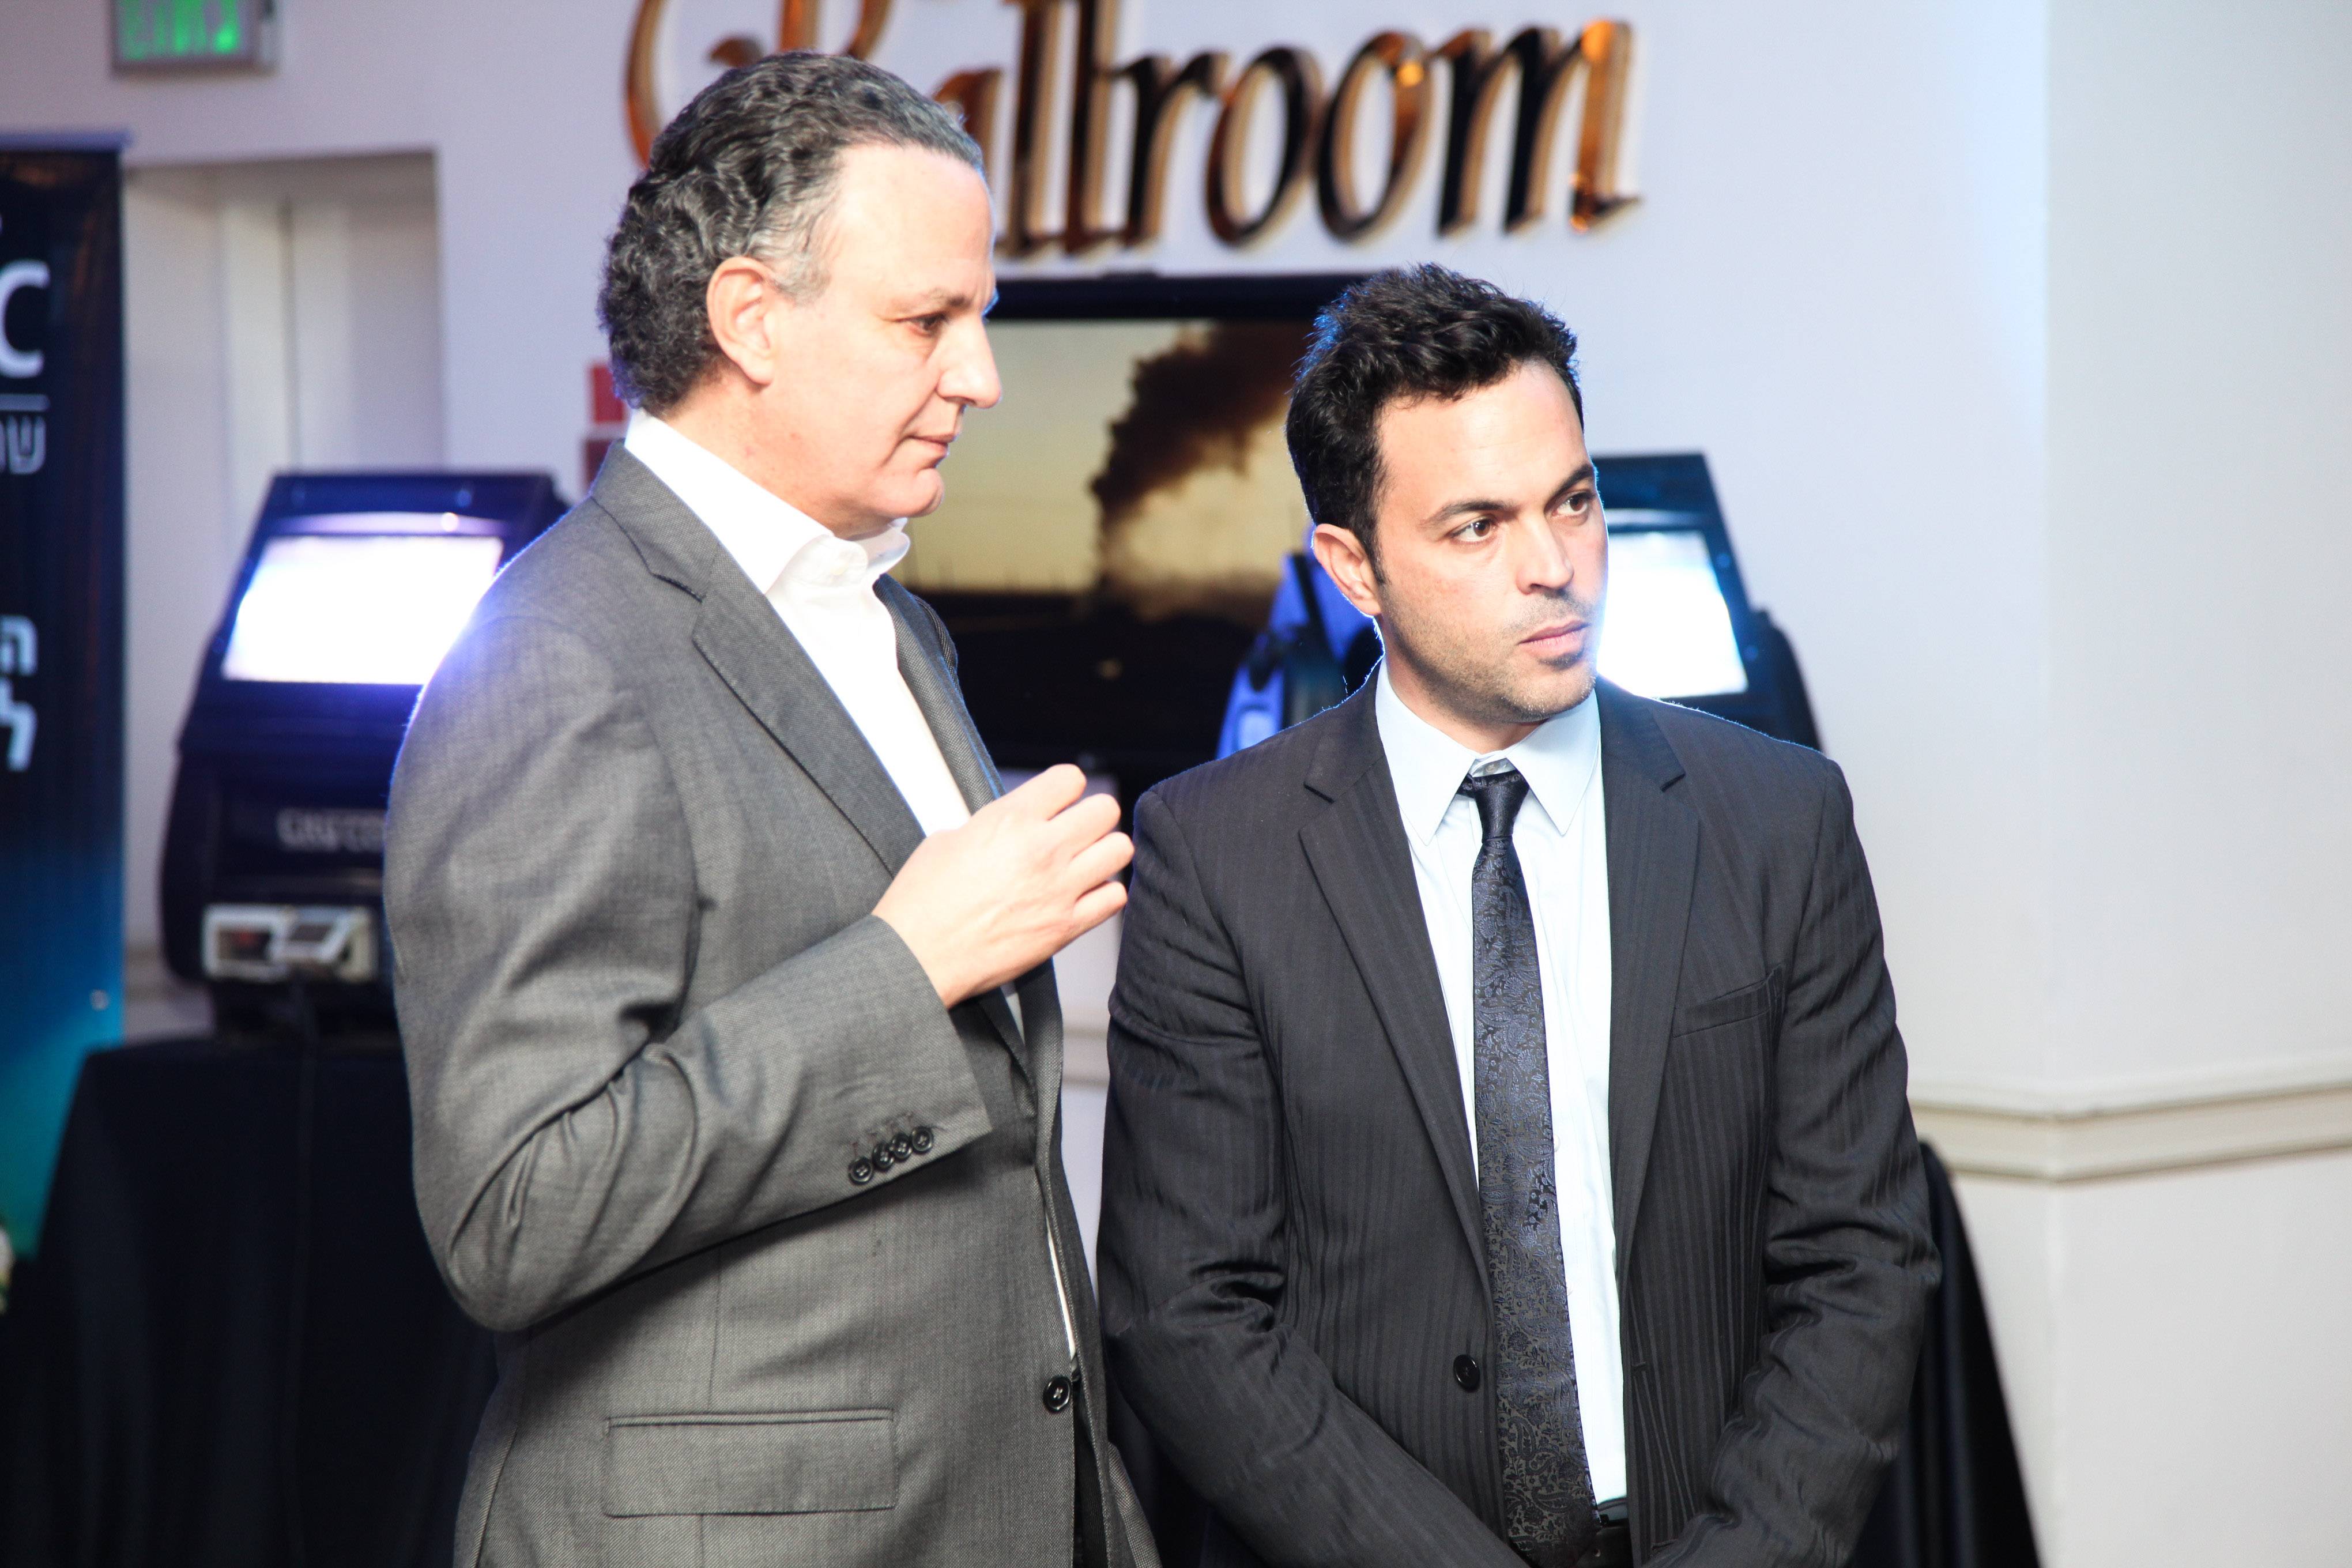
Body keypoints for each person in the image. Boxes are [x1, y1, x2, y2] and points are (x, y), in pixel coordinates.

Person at [387, 53, 1155, 1568]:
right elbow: (511, 1214)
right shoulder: (555, 654)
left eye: (981, 318)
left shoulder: (889, 618)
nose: (982, 376)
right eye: (927, 321)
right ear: (749, 319)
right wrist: (906, 967)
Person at [1098, 265, 1938, 1568]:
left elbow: (1861, 1258)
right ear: (1354, 567)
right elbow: (1189, 1314)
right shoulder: (1217, 852)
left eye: (1573, 500)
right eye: (1477, 526)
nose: (1556, 568)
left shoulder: (1779, 816)